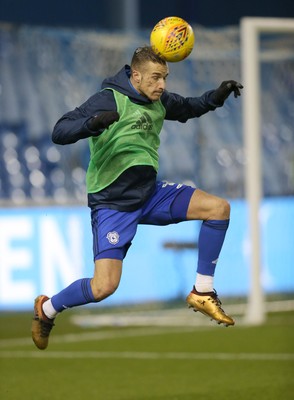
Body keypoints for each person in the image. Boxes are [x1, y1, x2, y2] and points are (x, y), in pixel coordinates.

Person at [32, 46, 243, 350]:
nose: (162, 85)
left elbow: (188, 107)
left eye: (165, 78)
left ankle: (203, 291)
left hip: (150, 193)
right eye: (156, 78)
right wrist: (90, 125)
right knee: (104, 286)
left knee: (218, 208)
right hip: (113, 203)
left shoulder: (158, 100)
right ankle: (47, 309)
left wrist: (217, 96)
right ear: (136, 75)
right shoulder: (108, 98)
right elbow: (59, 131)